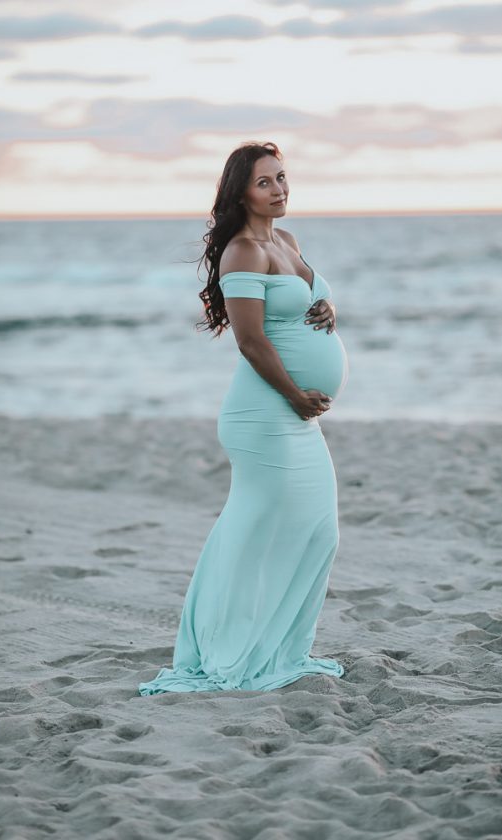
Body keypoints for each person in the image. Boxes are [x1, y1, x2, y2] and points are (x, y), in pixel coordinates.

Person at [138, 141, 349, 694]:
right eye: (265, 182)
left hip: (294, 417)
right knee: (256, 530)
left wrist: (327, 305)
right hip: (264, 416)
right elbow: (251, 342)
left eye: (282, 178)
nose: (279, 189)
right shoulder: (241, 254)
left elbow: (299, 307)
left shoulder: (286, 241)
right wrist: (297, 396)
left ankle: (281, 647)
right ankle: (230, 649)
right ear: (241, 193)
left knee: (317, 529)